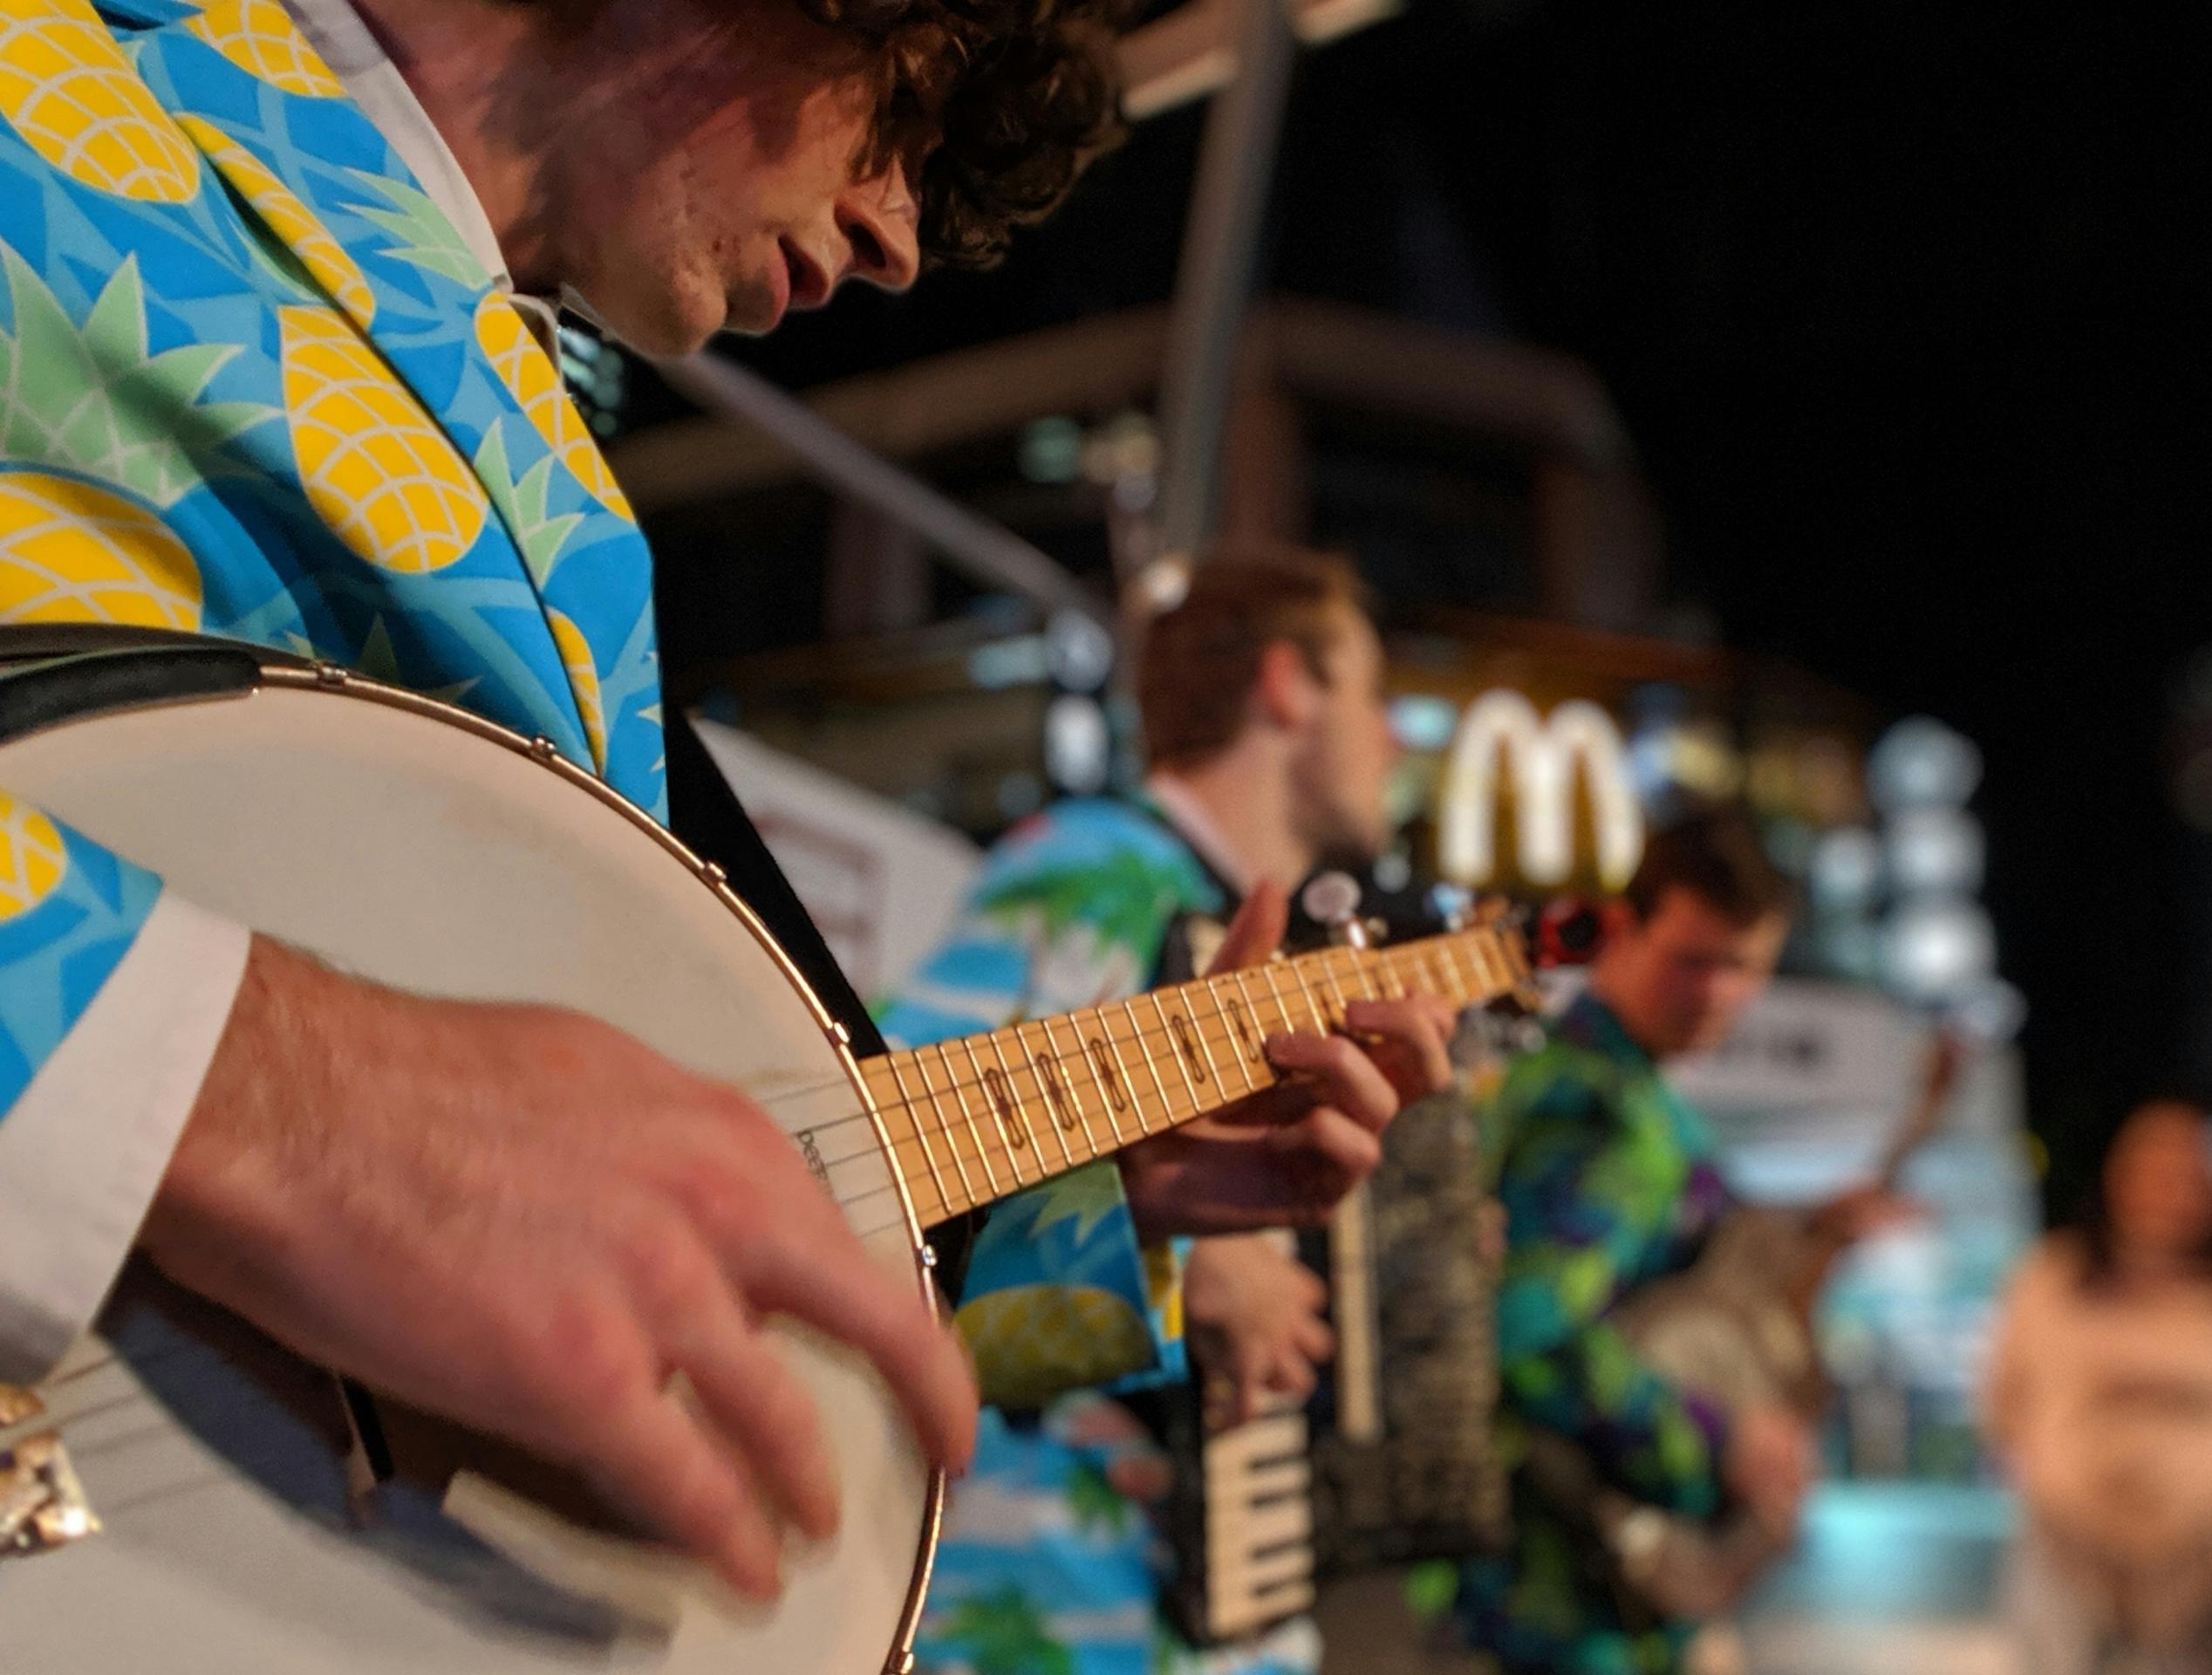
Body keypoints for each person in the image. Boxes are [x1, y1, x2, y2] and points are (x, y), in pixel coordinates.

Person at [0, 0, 1414, 1603]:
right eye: (903, 106)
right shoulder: (54, 92)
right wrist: (273, 1095)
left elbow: (546, 1207)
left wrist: (1107, 1195)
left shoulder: (553, 467)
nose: (897, 238)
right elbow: (382, 1141)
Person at [877, 545, 1457, 1675]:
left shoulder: (1241, 926)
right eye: (1371, 693)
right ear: (1286, 686)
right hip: (1047, 1617)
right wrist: (1193, 1260)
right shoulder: (1096, 873)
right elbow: (876, 1175)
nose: (1395, 739)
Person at [1450, 805, 1819, 1675]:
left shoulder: (1621, 1088)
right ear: (1619, 929)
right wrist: (1715, 1441)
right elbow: (1525, 1334)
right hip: (1555, 1591)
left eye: (1742, 967)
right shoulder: (1598, 1107)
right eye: (1692, 960)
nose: (1716, 993)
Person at [1984, 1097, 2212, 1675]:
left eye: (2187, 1172)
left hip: (2209, 1572)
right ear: (2116, 1174)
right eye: (2152, 1168)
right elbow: (2004, 1400)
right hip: (2064, 1556)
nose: (2169, 1190)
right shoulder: (2053, 1277)